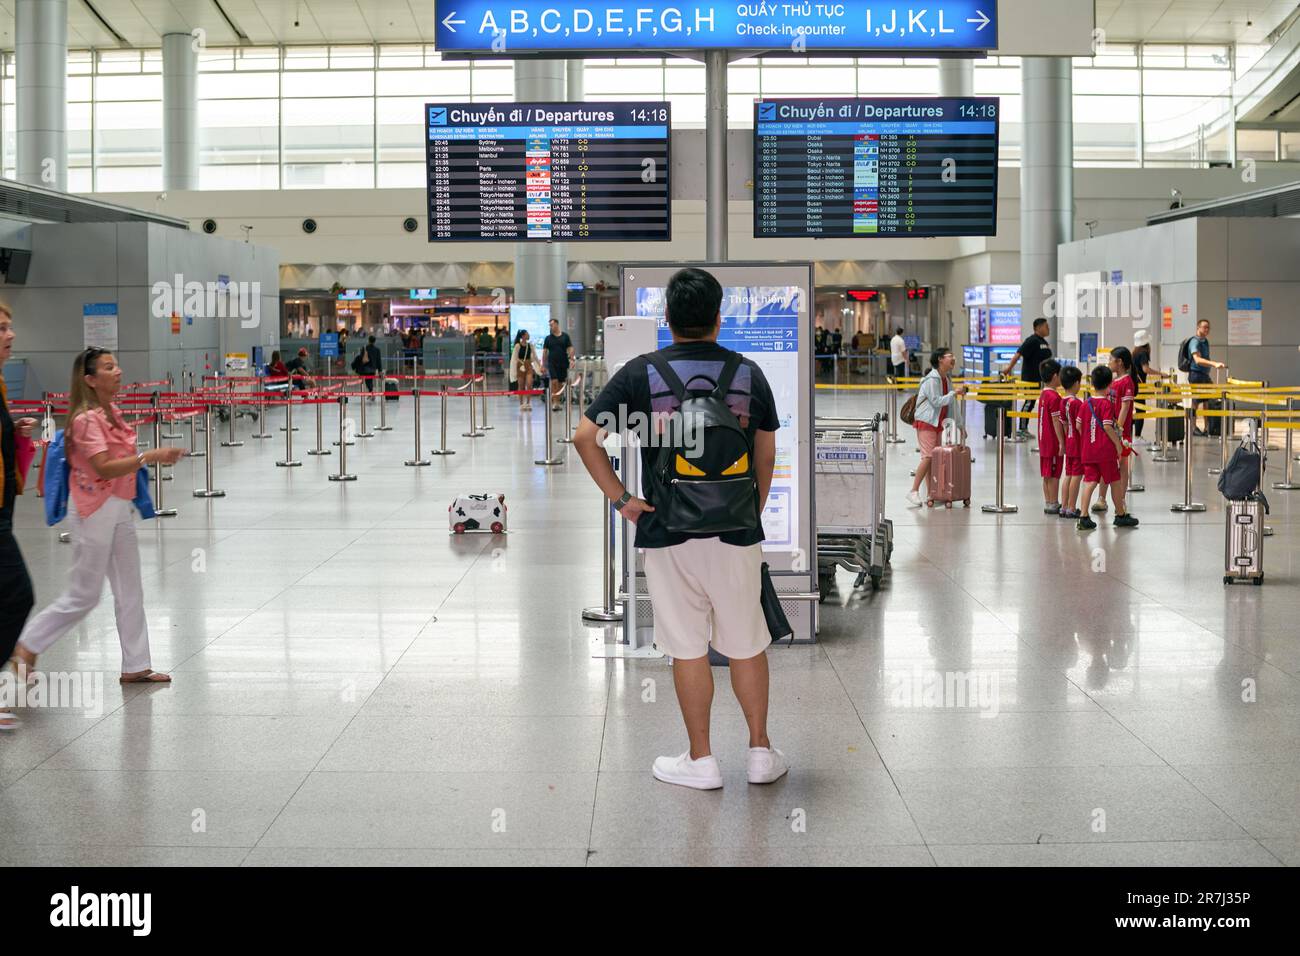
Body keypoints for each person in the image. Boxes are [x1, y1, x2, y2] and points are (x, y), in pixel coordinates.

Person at [573, 267, 786, 791]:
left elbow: (584, 438)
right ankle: (759, 752)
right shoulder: (746, 374)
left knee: (688, 646)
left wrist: (624, 500)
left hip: (667, 531)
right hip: (736, 532)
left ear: (666, 319)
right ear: (718, 318)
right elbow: (765, 455)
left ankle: (702, 760)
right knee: (746, 641)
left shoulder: (641, 374)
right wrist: (749, 510)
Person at [11, 349, 184, 686]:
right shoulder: (85, 420)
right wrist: (150, 456)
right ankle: (27, 646)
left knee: (130, 588)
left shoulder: (112, 413)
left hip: (118, 507)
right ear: (89, 380)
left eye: (116, 364)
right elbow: (103, 465)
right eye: (108, 367)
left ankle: (136, 664)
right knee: (84, 594)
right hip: (92, 512)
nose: (117, 371)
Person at [0, 305, 37, 729]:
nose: (11, 334)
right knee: (18, 594)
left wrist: (14, 432)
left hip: (4, 506)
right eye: (1, 328)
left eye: (10, 325)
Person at [1075, 365, 1138, 531]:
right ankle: (1120, 514)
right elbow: (1108, 426)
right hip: (1105, 452)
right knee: (1115, 482)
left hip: (1088, 451)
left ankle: (1083, 516)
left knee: (1089, 482)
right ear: (1110, 384)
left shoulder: (1086, 403)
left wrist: (1088, 439)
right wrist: (1117, 444)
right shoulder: (1107, 405)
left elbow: (1078, 425)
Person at [905, 348, 968, 508]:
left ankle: (932, 492)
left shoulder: (946, 379)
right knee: (928, 457)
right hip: (926, 422)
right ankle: (913, 490)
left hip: (937, 424)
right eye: (950, 356)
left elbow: (952, 406)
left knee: (934, 458)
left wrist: (960, 426)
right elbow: (936, 401)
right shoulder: (932, 379)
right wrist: (954, 393)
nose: (953, 359)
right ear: (940, 359)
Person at [1001, 318, 1053, 437]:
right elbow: (1018, 354)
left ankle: (1026, 427)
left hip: (1041, 379)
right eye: (1046, 326)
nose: (1048, 328)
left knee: (1033, 403)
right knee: (1029, 402)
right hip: (1031, 378)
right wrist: (1008, 368)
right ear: (1038, 327)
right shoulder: (1032, 341)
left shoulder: (1043, 342)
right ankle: (1022, 428)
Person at [1183, 318, 1226, 436]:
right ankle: (1192, 427)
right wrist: (1214, 363)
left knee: (1208, 401)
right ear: (1198, 328)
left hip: (1205, 375)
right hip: (1196, 375)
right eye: (1204, 327)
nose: (1207, 329)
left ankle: (1208, 427)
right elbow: (1197, 360)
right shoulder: (1194, 342)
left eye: (1208, 327)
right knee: (1195, 402)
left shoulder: (1205, 341)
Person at [1036, 359, 1066, 514]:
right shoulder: (1055, 398)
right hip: (1052, 441)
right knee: (1054, 474)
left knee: (1046, 473)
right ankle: (1054, 502)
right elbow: (1056, 420)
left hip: (1043, 440)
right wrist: (1062, 442)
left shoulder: (1043, 395)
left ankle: (1048, 501)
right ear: (1055, 376)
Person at [1059, 366, 1085, 520]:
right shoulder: (1077, 403)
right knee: (1077, 475)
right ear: (1076, 383)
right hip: (1077, 443)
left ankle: (1063, 506)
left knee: (1068, 474)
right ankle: (1071, 507)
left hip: (1068, 441)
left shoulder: (1062, 402)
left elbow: (1063, 423)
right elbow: (1079, 425)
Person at [1130, 329, 1164, 442]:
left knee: (1135, 410)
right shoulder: (1143, 353)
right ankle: (1137, 437)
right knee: (1141, 411)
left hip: (1133, 384)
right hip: (1140, 387)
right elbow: (1146, 369)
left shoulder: (1134, 352)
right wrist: (1161, 374)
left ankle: (1130, 434)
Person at [541, 318, 574, 412]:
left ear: (557, 324)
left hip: (563, 363)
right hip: (552, 363)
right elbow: (544, 352)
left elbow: (570, 348)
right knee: (554, 381)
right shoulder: (548, 338)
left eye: (552, 325)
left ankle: (557, 402)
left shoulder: (565, 336)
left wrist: (572, 359)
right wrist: (543, 365)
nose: (551, 327)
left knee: (560, 383)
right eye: (550, 326)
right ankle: (554, 402)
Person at [510, 330, 540, 410]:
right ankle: (521, 404)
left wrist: (540, 366)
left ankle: (528, 403)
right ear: (523, 336)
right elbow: (514, 358)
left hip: (529, 366)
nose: (529, 335)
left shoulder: (530, 345)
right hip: (520, 367)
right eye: (527, 334)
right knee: (521, 385)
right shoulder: (517, 346)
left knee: (529, 384)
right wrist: (520, 364)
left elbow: (535, 356)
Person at [353, 335, 381, 400]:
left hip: (366, 368)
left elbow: (361, 358)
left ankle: (371, 393)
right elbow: (379, 361)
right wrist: (380, 370)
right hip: (373, 368)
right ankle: (370, 393)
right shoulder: (377, 350)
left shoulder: (365, 348)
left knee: (367, 381)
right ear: (374, 341)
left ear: (368, 340)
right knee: (370, 381)